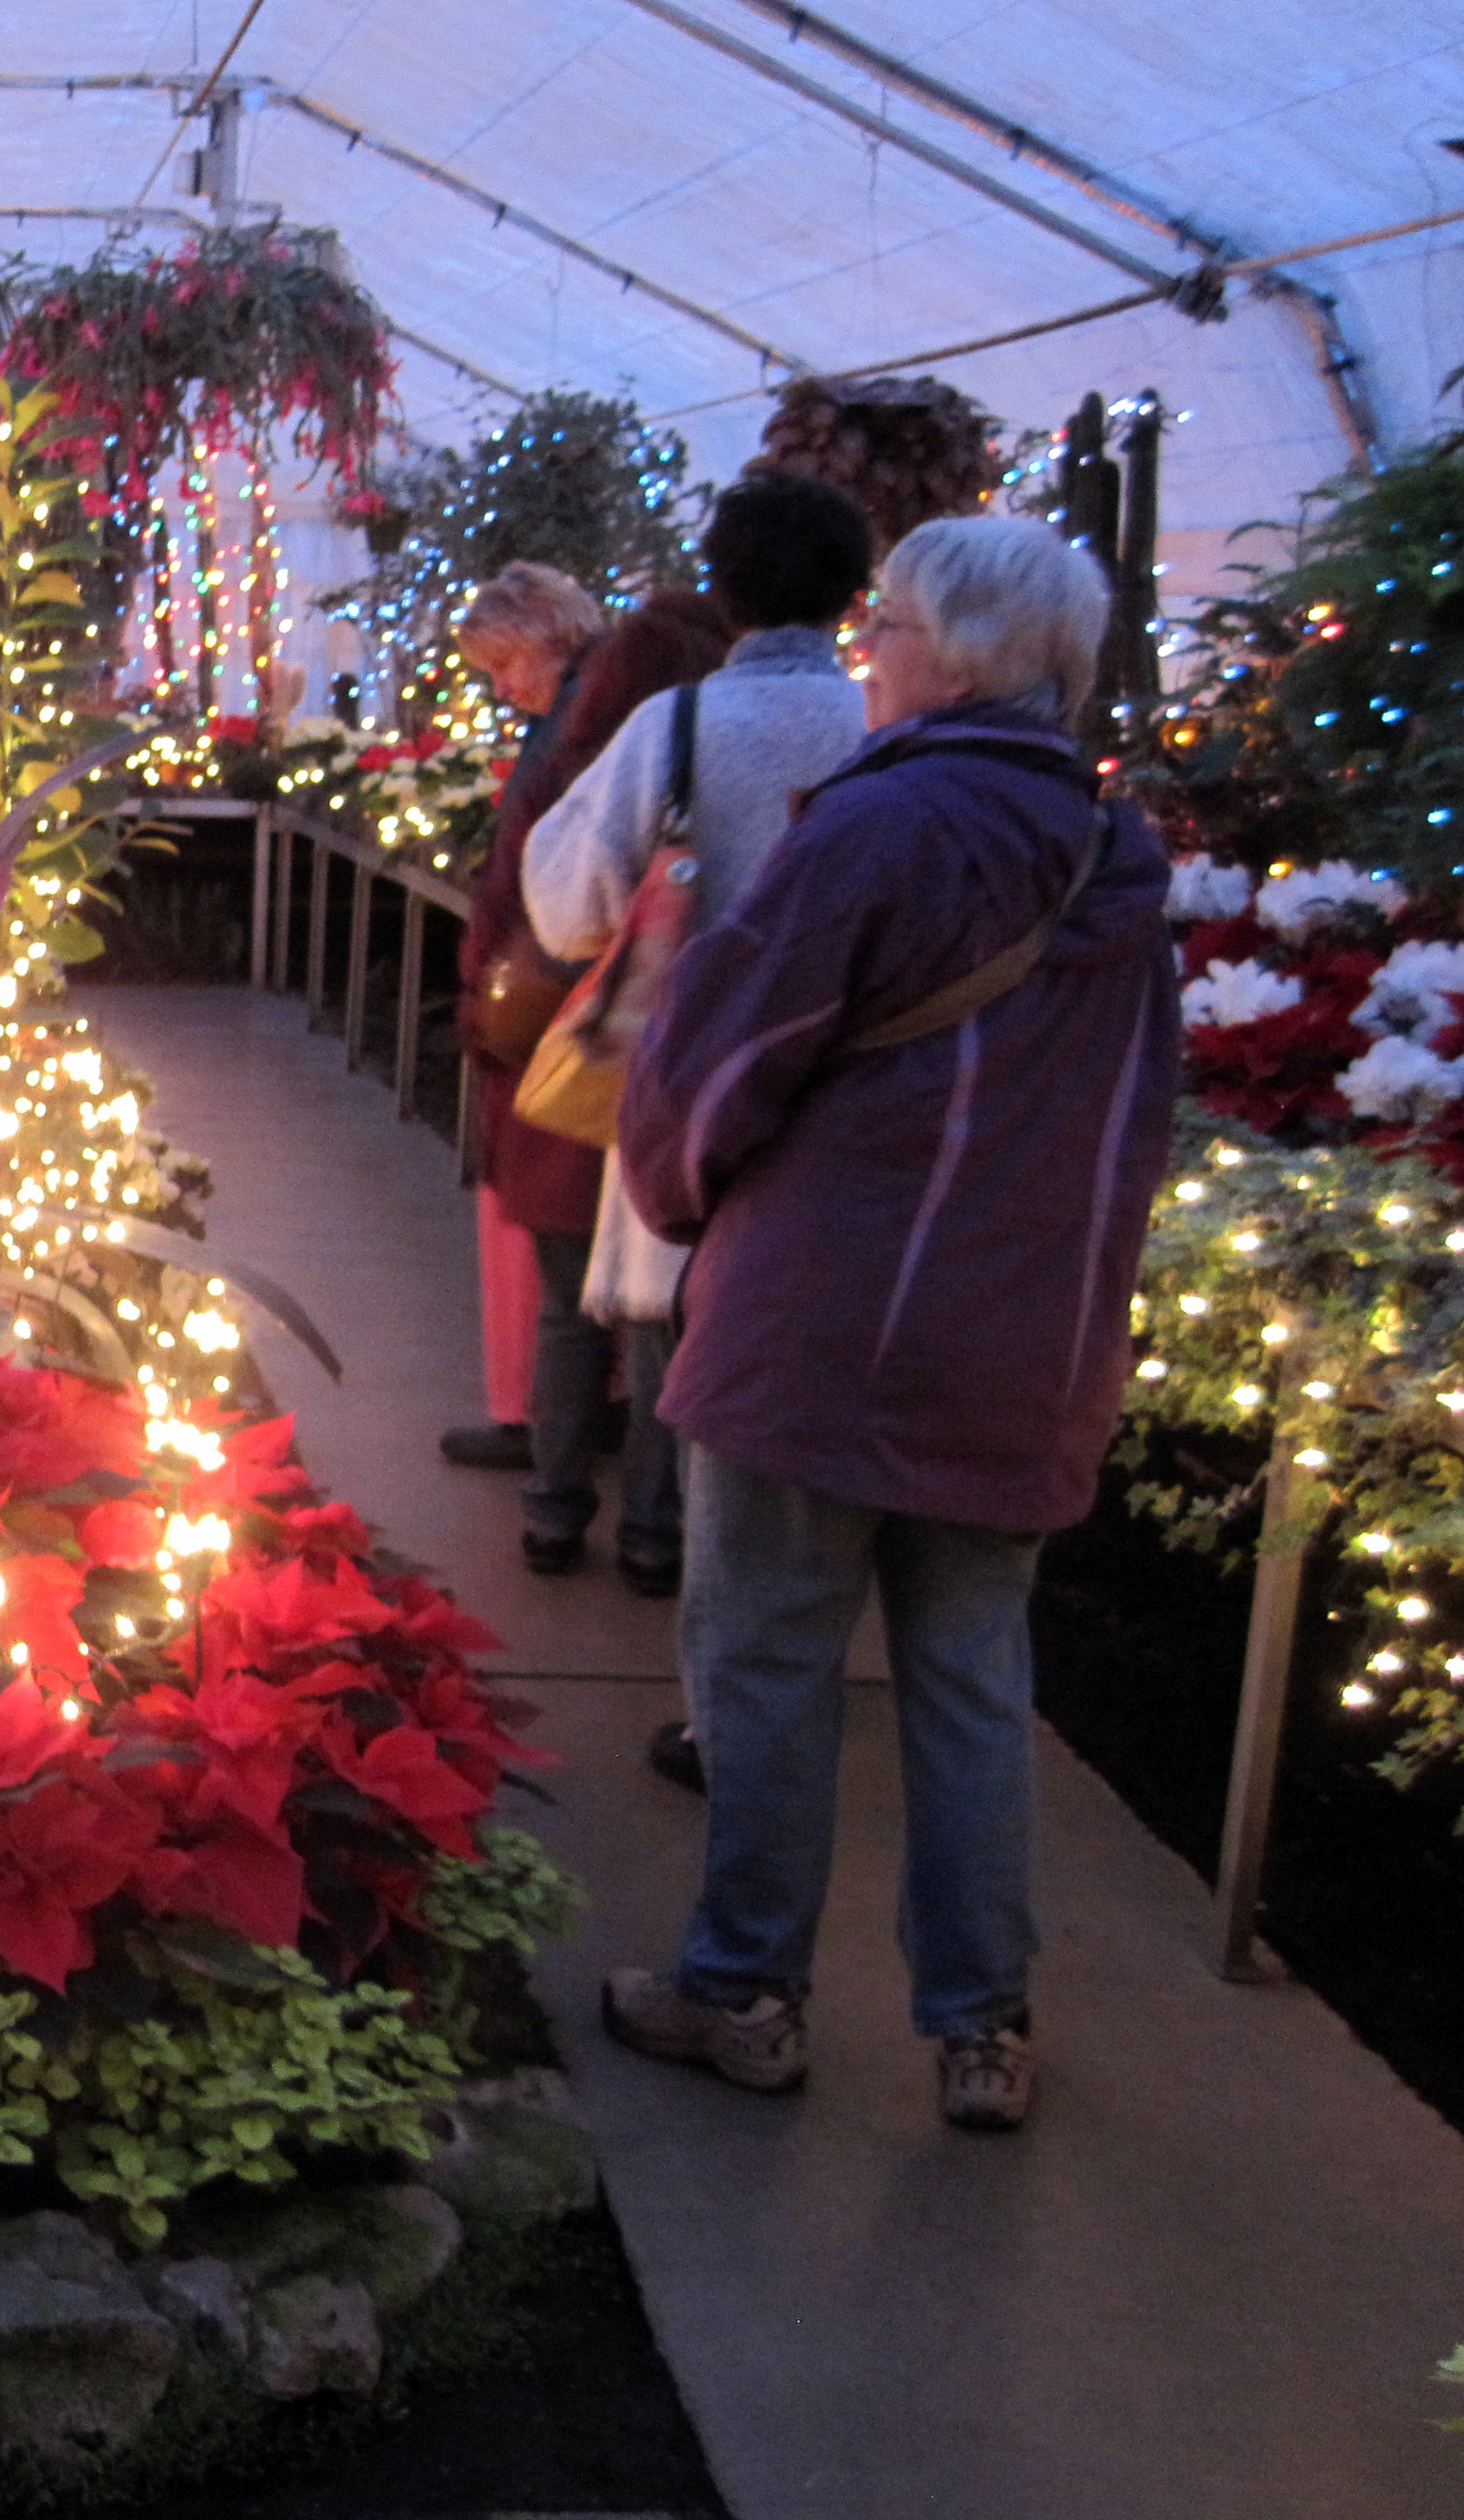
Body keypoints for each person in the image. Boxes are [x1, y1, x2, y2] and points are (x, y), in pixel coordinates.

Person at [598, 514, 1179, 2132]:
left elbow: (719, 1058)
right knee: (972, 1673)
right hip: (1023, 1334)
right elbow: (1140, 1113)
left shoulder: (879, 823)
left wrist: (674, 1192)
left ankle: (743, 1994)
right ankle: (980, 2030)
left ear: (958, 655)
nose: (874, 651)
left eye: (894, 630)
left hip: (830, 1319)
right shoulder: (1111, 852)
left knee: (770, 1657)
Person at [520, 472, 877, 1651]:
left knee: (674, 1313)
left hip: (684, 1069)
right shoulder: (883, 733)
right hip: (844, 1092)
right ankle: (722, 1573)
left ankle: (651, 1539)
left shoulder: (672, 726)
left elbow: (570, 905)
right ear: (853, 595)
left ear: (721, 589)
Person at [445, 566, 729, 1590]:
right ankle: (654, 1537)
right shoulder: (791, 732)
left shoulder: (604, 743)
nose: (505, 687)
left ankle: (554, 1515)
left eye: (506, 663)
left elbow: (555, 900)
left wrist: (489, 989)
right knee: (661, 1314)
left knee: (577, 1300)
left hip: (586, 1041)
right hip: (703, 1062)